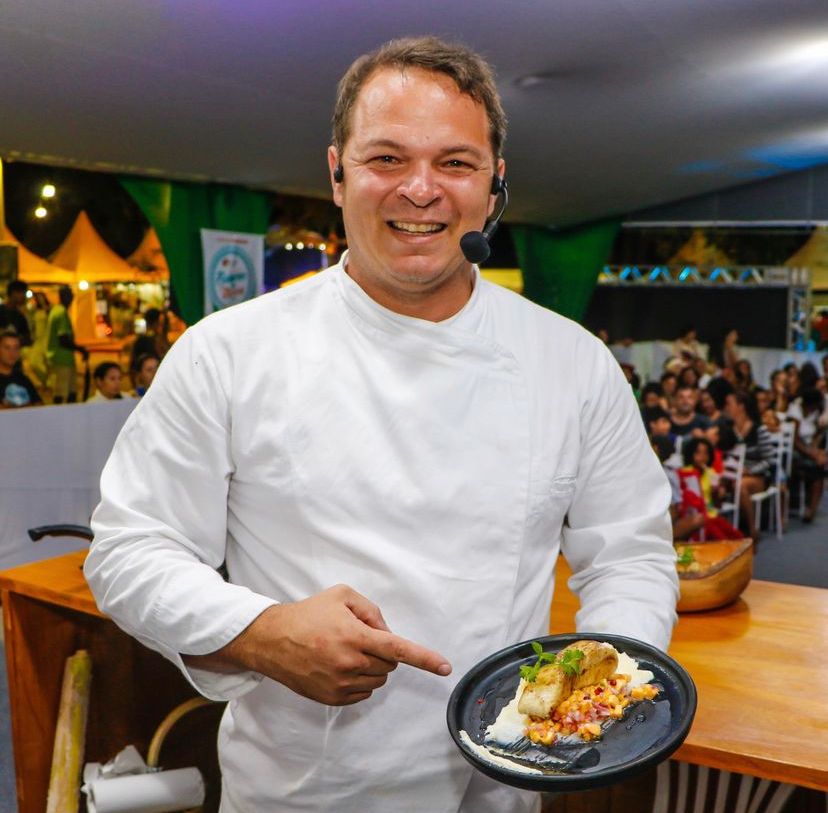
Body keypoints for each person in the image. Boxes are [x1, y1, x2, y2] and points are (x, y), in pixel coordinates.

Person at [84, 37, 678, 813]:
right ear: (337, 173)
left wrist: (592, 691)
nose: (421, 190)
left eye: (456, 163)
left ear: (496, 182)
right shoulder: (227, 353)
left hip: (509, 782)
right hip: (304, 788)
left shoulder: (572, 361)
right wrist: (260, 630)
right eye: (387, 159)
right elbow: (129, 548)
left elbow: (628, 553)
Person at [46, 285, 88, 403]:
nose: (71, 298)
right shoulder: (61, 313)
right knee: (61, 394)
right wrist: (81, 349)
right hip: (61, 360)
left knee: (71, 392)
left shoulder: (56, 310)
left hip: (63, 359)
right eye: (69, 295)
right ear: (62, 296)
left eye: (72, 295)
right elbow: (63, 339)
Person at [0, 329, 42, 408]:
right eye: (7, 348)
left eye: (16, 348)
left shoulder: (23, 379)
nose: (12, 353)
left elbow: (39, 405)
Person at [0, 280, 32, 348]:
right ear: (13, 293)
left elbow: (28, 340)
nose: (24, 297)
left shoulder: (20, 316)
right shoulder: (1, 311)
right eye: (22, 293)